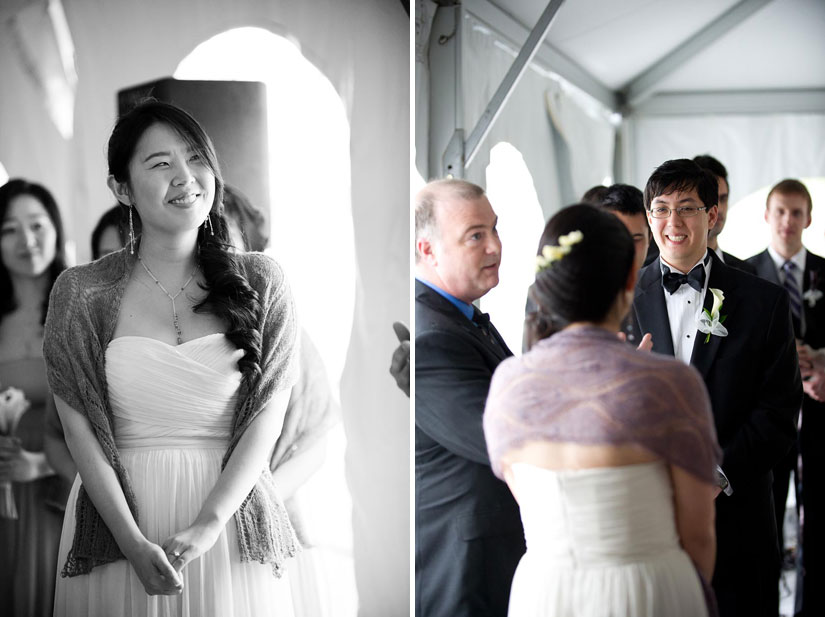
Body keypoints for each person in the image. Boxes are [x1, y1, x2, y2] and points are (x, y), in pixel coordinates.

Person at [43, 100, 300, 616]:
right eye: (160, 164)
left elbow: (267, 417)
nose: (185, 177)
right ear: (121, 188)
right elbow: (79, 430)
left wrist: (210, 523)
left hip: (228, 519)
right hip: (119, 519)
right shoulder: (80, 292)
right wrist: (131, 541)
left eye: (195, 158)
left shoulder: (263, 280)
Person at [484, 203, 721, 616]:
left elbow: (527, 499)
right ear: (631, 277)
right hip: (649, 592)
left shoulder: (508, 383)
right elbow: (698, 534)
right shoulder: (670, 384)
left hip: (545, 594)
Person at [629, 158, 801, 617]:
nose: (673, 222)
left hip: (739, 519)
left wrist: (718, 476)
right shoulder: (618, 301)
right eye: (661, 209)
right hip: (644, 519)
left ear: (712, 216)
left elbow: (779, 412)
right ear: (649, 217)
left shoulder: (763, 302)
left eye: (687, 207)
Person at [222, 181, 342, 617]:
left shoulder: (283, 327)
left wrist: (251, 502)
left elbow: (315, 439)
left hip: (273, 521)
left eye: (224, 239)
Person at [415, 178, 525, 617]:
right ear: (428, 250)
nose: (496, 246)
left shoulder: (466, 317)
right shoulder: (432, 338)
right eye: (476, 236)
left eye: (495, 229)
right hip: (465, 571)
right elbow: (505, 439)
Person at [748, 178, 825, 615]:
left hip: (817, 417)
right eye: (780, 211)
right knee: (765, 525)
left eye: (797, 212)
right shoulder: (742, 274)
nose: (788, 221)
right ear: (767, 215)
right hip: (766, 423)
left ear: (809, 218)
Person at [0, 178, 68, 617]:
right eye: (9, 229)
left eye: (37, 225)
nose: (26, 240)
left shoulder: (80, 305)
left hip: (59, 486)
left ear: (56, 229)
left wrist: (40, 463)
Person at [693, 155, 756, 275]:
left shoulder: (746, 272)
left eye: (723, 199)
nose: (719, 209)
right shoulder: (650, 271)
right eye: (711, 199)